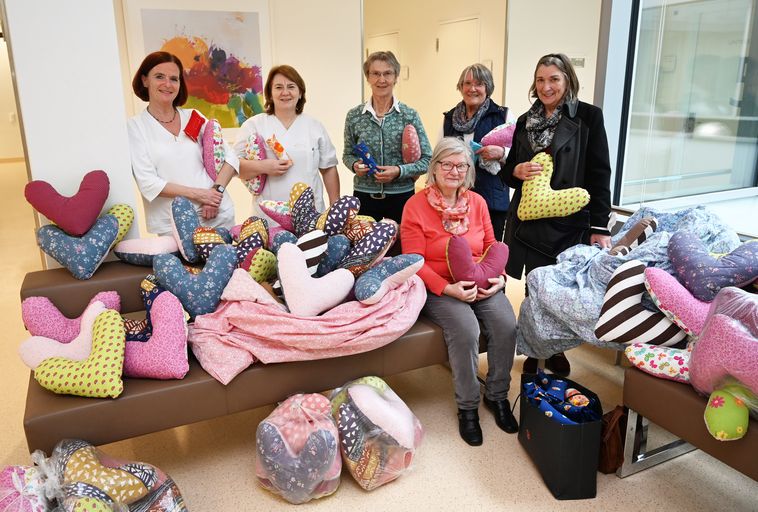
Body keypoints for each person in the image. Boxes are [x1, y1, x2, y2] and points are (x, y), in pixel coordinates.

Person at [499, 53, 613, 376]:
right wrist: (516, 170)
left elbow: (600, 173)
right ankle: (535, 351)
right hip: (528, 221)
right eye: (540, 80)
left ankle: (557, 348)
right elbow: (507, 173)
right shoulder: (524, 121)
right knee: (535, 289)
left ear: (567, 81)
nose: (547, 87)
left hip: (568, 222)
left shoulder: (589, 117)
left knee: (560, 292)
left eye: (554, 79)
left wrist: (600, 226)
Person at [401, 137, 518, 446]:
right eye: (447, 164)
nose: (454, 171)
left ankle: (497, 395)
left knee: (506, 323)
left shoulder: (477, 203)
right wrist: (448, 289)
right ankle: (467, 408)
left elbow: (493, 245)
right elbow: (414, 262)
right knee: (466, 328)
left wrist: (500, 278)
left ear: (469, 170)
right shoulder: (415, 206)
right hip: (439, 286)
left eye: (461, 165)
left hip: (482, 279)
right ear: (434, 168)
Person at [128, 51, 238, 236]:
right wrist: (200, 195)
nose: (167, 84)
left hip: (217, 216)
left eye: (174, 78)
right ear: (145, 80)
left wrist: (215, 193)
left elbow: (231, 157)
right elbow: (148, 183)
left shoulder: (194, 117)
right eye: (159, 77)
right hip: (173, 225)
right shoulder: (135, 127)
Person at [234, 65, 339, 223]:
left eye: (291, 87)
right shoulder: (254, 125)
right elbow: (235, 167)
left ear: (300, 92)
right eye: (278, 87)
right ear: (270, 93)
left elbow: (329, 168)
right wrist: (264, 167)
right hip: (268, 217)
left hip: (311, 215)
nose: (285, 92)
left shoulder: (314, 126)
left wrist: (335, 209)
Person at [343, 51, 432, 225]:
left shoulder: (409, 115)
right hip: (364, 197)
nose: (381, 79)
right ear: (367, 77)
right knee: (364, 249)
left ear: (396, 77)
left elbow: (428, 160)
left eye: (387, 73)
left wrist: (399, 171)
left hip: (401, 197)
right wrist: (355, 166)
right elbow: (347, 155)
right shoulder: (354, 116)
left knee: (402, 248)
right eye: (375, 73)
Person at [442, 63, 516, 241]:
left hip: (492, 200)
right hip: (455, 198)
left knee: (489, 249)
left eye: (479, 84)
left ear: (487, 88)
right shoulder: (449, 118)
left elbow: (519, 155)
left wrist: (501, 153)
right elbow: (439, 155)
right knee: (457, 247)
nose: (472, 89)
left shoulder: (503, 115)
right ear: (461, 87)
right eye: (467, 83)